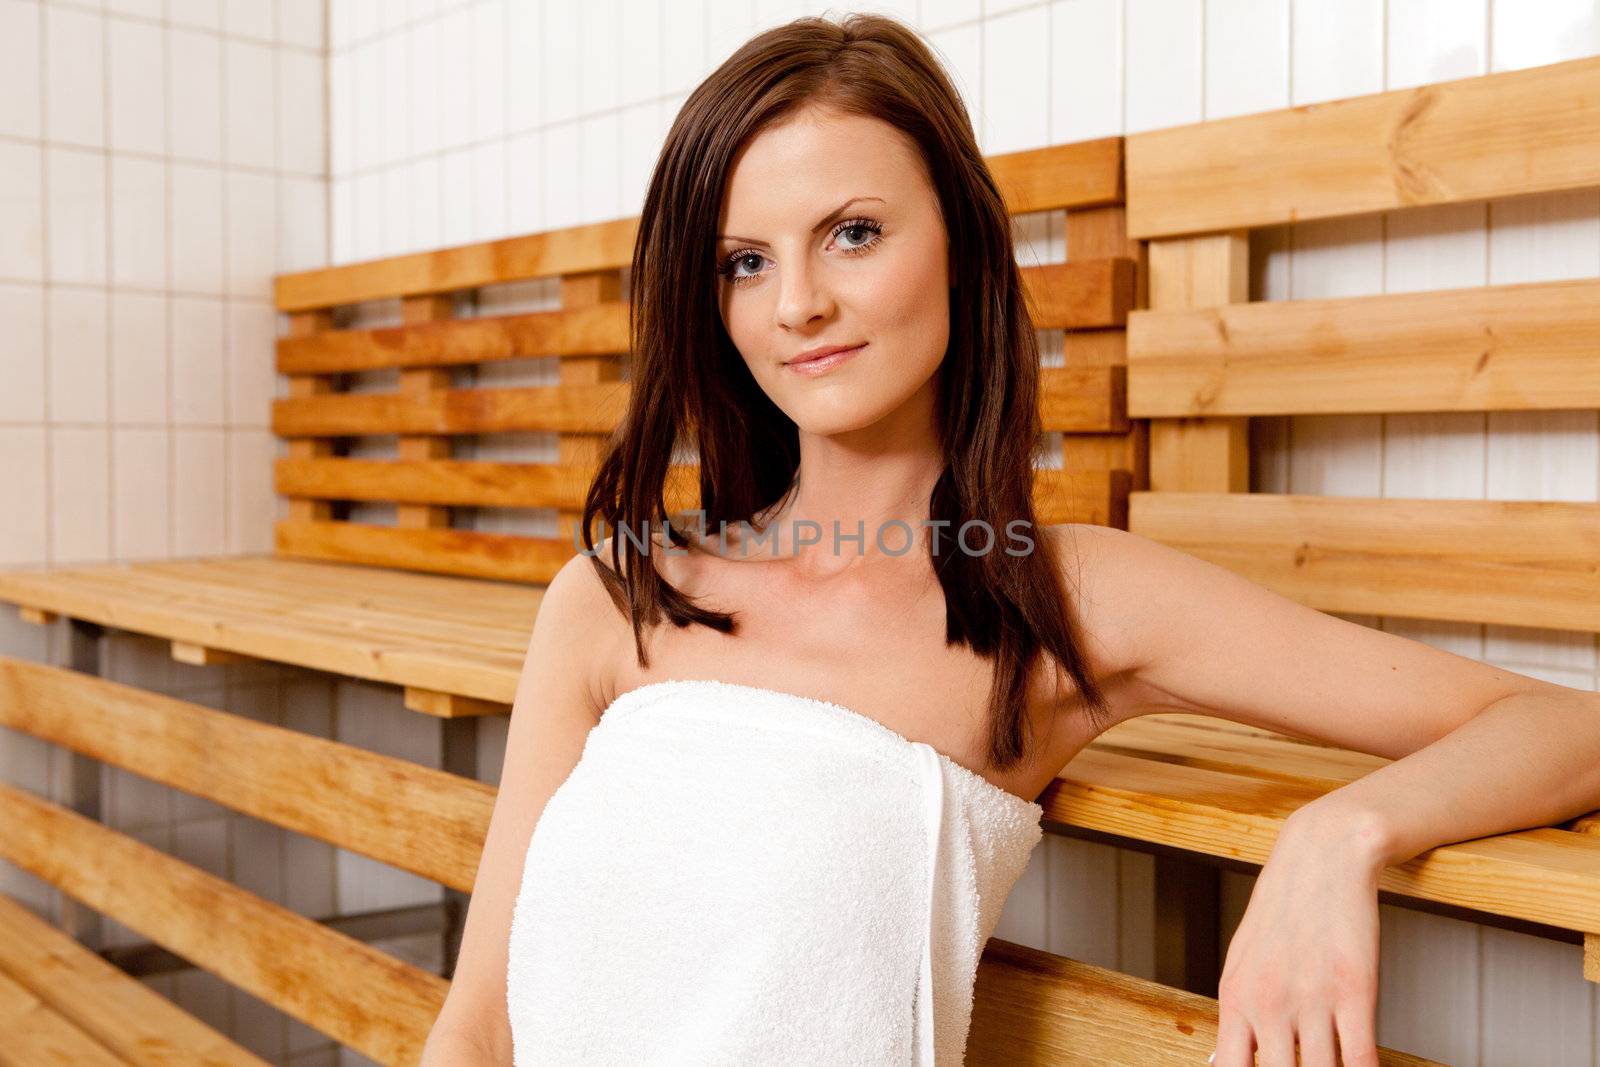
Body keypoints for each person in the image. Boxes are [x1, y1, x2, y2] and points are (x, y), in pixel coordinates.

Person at [420, 13, 1600, 1067]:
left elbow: (1569, 722)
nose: (795, 306)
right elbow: (477, 1028)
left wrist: (1339, 833)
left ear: (963, 245)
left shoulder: (1055, 599)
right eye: (744, 261)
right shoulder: (613, 598)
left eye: (853, 233)